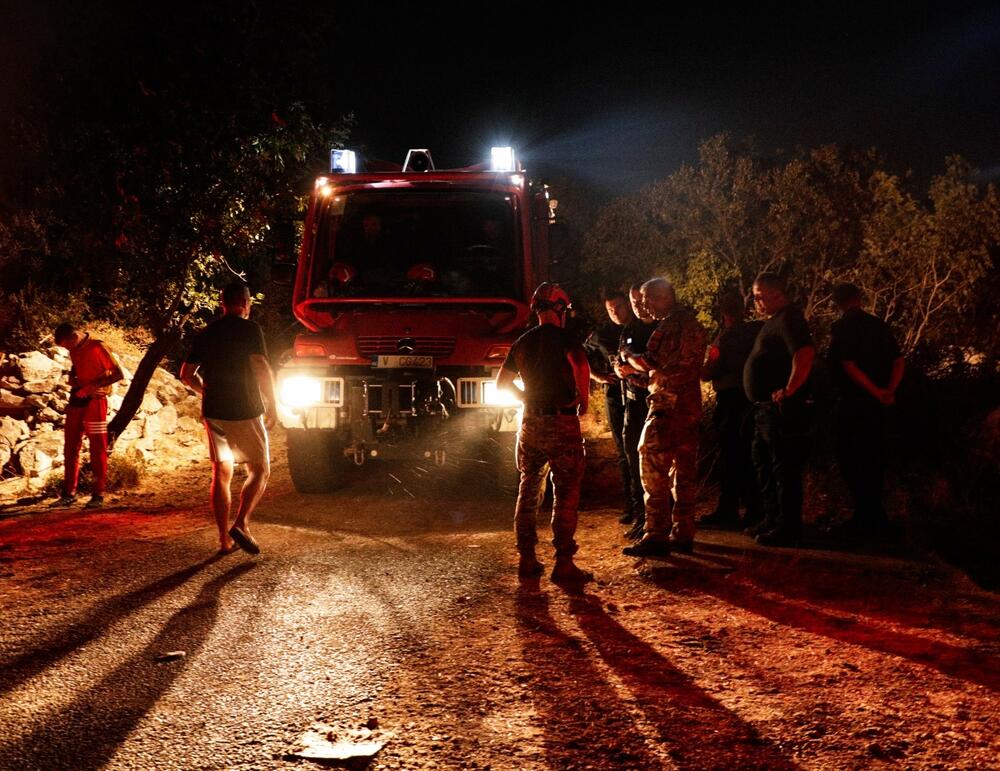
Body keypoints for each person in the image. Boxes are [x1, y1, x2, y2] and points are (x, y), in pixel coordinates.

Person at [496, 282, 593, 583]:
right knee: (565, 491)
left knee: (528, 489)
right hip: (561, 422)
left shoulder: (522, 342)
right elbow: (581, 366)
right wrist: (583, 399)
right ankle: (563, 563)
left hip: (530, 424)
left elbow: (502, 384)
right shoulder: (566, 338)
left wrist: (526, 398)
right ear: (561, 308)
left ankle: (527, 559)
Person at [180, 282, 278, 555]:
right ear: (246, 303)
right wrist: (273, 403)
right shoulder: (250, 329)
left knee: (221, 474)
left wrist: (205, 391)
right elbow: (260, 366)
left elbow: (186, 374)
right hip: (245, 409)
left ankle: (224, 539)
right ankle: (242, 523)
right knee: (260, 469)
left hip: (214, 411)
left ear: (222, 303)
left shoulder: (207, 332)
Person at [622, 277, 707, 557]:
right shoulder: (694, 325)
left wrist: (628, 357)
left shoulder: (668, 326)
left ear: (663, 297)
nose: (644, 306)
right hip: (690, 405)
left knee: (653, 467)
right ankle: (684, 533)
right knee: (683, 473)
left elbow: (650, 361)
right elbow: (679, 368)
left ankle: (655, 534)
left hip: (666, 407)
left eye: (647, 300)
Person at [742, 272, 816, 547]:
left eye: (760, 296)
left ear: (776, 293)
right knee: (765, 465)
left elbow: (805, 353)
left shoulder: (790, 318)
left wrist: (791, 389)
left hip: (782, 411)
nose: (756, 302)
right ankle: (772, 518)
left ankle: (787, 526)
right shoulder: (774, 321)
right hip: (764, 411)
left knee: (783, 468)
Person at [828, 282, 905, 538]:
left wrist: (874, 391)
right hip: (879, 405)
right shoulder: (878, 325)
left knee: (851, 459)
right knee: (874, 460)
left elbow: (848, 365)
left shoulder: (843, 328)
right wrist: (888, 391)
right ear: (858, 298)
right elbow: (898, 361)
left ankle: (867, 517)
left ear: (837, 302)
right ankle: (872, 516)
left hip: (854, 404)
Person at [699, 290, 763, 530]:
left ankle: (732, 510)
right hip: (751, 400)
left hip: (731, 401)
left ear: (723, 312)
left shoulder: (725, 338)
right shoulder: (754, 332)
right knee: (747, 455)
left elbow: (709, 372)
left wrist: (694, 365)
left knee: (731, 455)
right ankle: (753, 509)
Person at [51, 323, 125, 509]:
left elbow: (118, 374)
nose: (67, 350)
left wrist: (92, 387)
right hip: (77, 400)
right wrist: (73, 378)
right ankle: (69, 493)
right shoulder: (74, 349)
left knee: (97, 446)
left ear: (74, 336)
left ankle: (98, 494)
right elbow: (76, 365)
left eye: (67, 345)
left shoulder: (98, 347)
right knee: (70, 446)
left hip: (95, 402)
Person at [585, 290, 635, 525]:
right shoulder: (602, 334)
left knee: (640, 450)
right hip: (615, 397)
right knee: (623, 451)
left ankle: (650, 505)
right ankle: (631, 506)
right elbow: (579, 356)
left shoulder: (641, 328)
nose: (615, 312)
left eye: (619, 307)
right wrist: (599, 377)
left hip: (640, 396)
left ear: (627, 305)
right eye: (610, 309)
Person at [615, 283, 658, 539]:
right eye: (632, 301)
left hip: (653, 402)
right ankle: (641, 518)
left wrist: (634, 368)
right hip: (632, 403)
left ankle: (657, 521)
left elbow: (656, 364)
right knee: (632, 460)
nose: (637, 305)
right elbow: (621, 357)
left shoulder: (660, 327)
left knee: (654, 464)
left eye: (639, 300)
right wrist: (621, 369)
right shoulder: (630, 328)